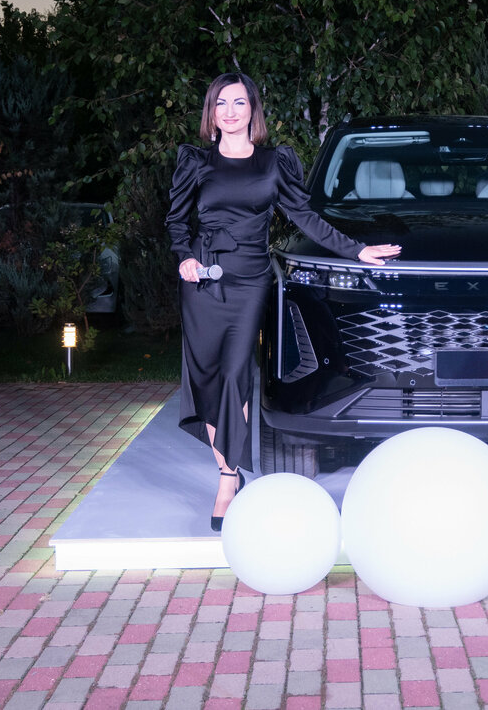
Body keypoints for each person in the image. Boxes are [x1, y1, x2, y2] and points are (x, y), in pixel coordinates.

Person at [167, 72, 400, 531]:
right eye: (221, 103)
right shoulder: (195, 162)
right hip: (202, 284)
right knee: (207, 379)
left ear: (253, 109)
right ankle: (229, 466)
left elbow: (306, 219)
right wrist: (185, 258)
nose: (230, 112)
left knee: (236, 374)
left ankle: (227, 479)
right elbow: (176, 223)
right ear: (211, 112)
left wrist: (357, 250)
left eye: (239, 102)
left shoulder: (274, 163)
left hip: (249, 281)